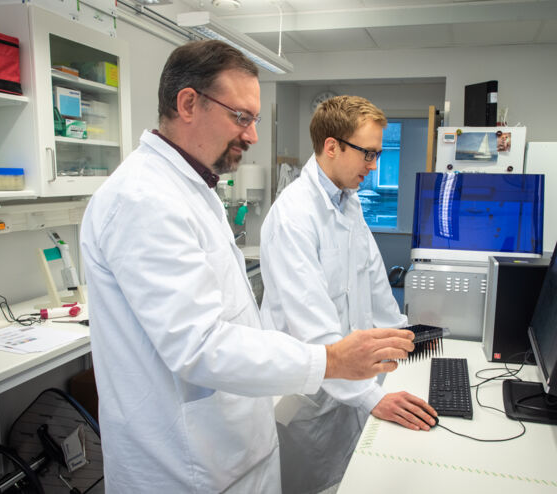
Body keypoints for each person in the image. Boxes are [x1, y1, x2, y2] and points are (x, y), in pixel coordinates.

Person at [80, 41, 416, 493]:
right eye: (242, 117)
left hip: (236, 448)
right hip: (187, 467)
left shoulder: (195, 189)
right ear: (188, 104)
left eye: (254, 120)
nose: (252, 135)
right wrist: (331, 359)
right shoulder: (142, 198)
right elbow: (198, 345)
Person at [259, 95, 437, 494]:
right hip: (309, 398)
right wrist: (369, 397)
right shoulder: (293, 217)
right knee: (309, 484)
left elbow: (373, 281)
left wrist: (403, 339)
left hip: (352, 388)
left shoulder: (348, 203)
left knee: (350, 481)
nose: (374, 166)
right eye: (368, 154)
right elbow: (314, 330)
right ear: (332, 147)